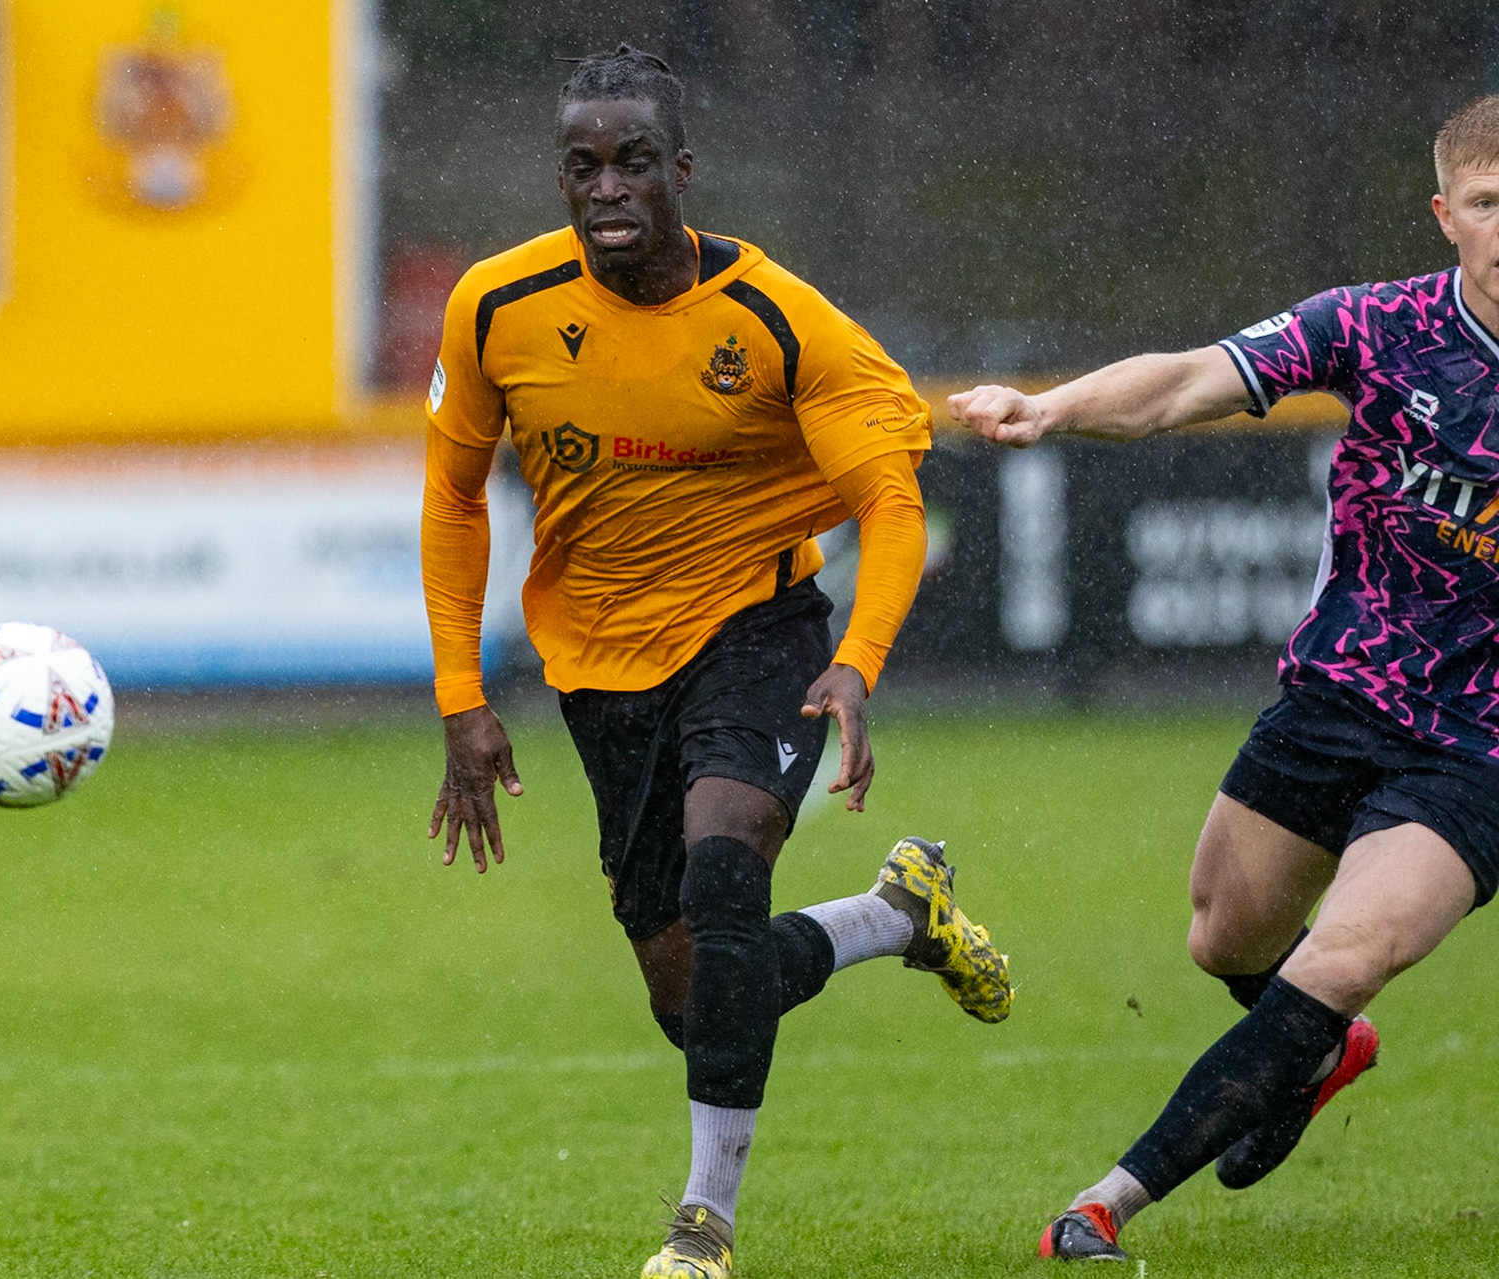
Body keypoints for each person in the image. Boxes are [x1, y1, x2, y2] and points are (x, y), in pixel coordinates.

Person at [420, 45, 1012, 1279]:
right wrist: (462, 699)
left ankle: (704, 1224)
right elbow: (456, 494)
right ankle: (894, 917)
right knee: (694, 996)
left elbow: (889, 500)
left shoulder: (781, 321)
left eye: (635, 160)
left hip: (759, 629)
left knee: (728, 878)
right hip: (596, 663)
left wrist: (856, 659)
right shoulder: (495, 308)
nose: (608, 187)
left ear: (683, 170)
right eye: (583, 165)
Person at [950, 93, 1499, 1263]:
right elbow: (1188, 382)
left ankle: (1103, 1204)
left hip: (1479, 749)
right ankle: (1320, 1054)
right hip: (1338, 694)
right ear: (1446, 215)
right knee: (1225, 940)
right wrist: (1050, 408)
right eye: (1492, 204)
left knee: (1346, 955)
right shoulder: (1380, 326)